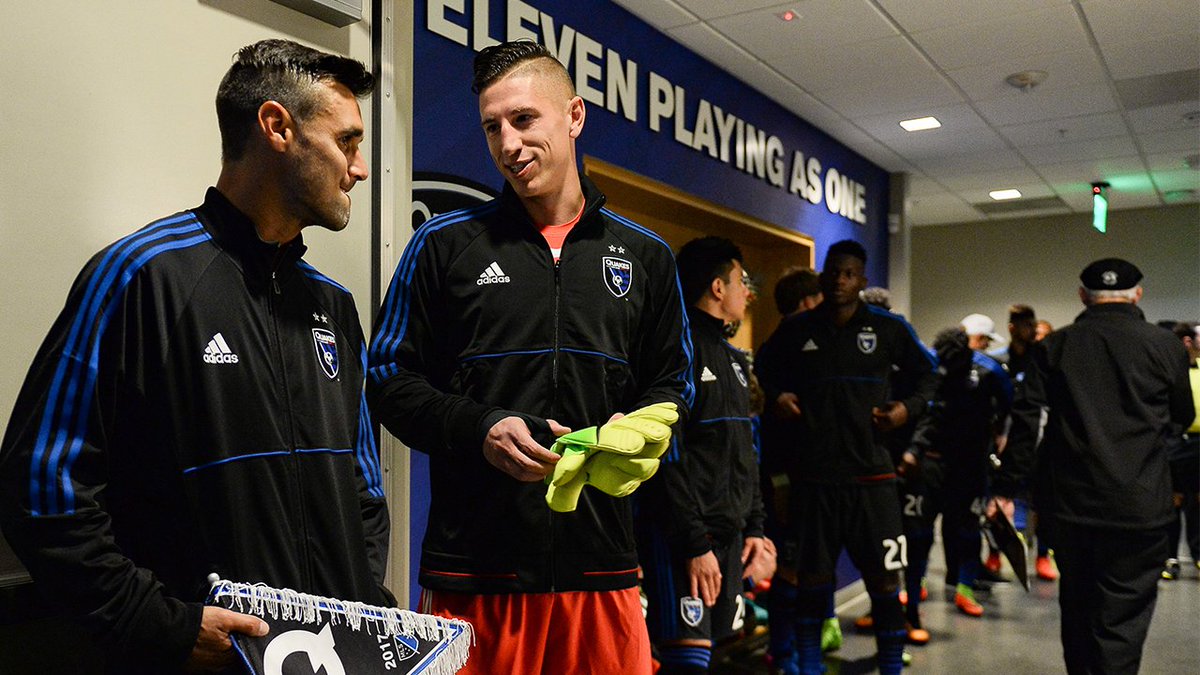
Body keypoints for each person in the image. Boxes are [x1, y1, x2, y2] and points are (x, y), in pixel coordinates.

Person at [0, 40, 387, 672]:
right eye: (346, 142)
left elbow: (364, 490)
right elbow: (41, 488)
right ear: (277, 128)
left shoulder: (334, 306)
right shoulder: (139, 277)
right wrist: (163, 627)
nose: (361, 167)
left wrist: (363, 608)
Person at [366, 40, 692, 675]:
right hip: (475, 577)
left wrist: (640, 427)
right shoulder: (443, 246)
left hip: (603, 569)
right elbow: (388, 379)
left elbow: (673, 383)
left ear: (573, 115)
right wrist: (480, 427)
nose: (507, 145)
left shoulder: (646, 255)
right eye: (492, 127)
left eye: (523, 120)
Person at [756, 240, 937, 675]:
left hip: (873, 481)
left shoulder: (889, 329)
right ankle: (809, 668)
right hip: (814, 482)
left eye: (849, 273)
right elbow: (763, 366)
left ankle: (892, 667)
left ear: (862, 281)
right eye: (833, 272)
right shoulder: (798, 329)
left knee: (885, 584)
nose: (839, 280)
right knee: (812, 584)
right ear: (822, 277)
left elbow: (928, 376)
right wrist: (778, 395)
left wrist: (905, 410)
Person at [1004, 258, 1194, 674]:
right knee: (1122, 623)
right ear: (1138, 294)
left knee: (1077, 609)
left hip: (1071, 507)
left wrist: (1006, 487)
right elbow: (1182, 416)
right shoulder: (1165, 347)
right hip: (1140, 508)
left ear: (1082, 296)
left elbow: (1027, 423)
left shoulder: (1054, 346)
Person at [637, 237, 775, 673]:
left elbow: (744, 454)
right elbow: (666, 459)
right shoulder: (677, 351)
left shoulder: (736, 361)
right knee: (687, 659)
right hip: (683, 542)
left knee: (713, 655)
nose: (747, 293)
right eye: (741, 281)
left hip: (728, 540)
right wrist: (694, 543)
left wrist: (754, 527)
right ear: (718, 288)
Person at [900, 326, 1011, 626]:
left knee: (967, 530)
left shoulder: (988, 371)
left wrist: (1001, 437)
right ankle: (916, 584)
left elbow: (1010, 406)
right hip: (930, 464)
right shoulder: (929, 365)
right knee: (919, 531)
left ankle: (964, 588)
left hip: (970, 466)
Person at [988, 304, 1058, 581]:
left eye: (1033, 324)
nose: (1030, 330)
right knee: (997, 501)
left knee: (1044, 500)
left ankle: (1043, 556)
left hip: (1038, 440)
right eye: (1024, 324)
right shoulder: (997, 361)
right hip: (1003, 441)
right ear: (1012, 327)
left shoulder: (1041, 359)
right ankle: (993, 554)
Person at [1163, 321, 1200, 580]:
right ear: (1188, 341)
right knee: (1173, 502)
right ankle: (1170, 557)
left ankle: (1198, 556)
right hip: (1176, 443)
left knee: (1198, 503)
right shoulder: (1170, 370)